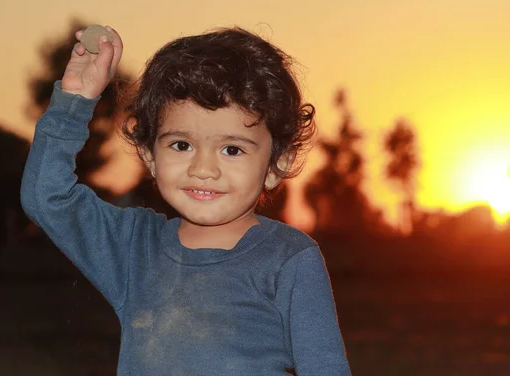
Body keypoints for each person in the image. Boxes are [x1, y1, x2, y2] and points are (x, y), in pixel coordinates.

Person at [21, 24, 351, 375]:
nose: (204, 169)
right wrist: (74, 102)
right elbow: (47, 197)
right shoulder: (133, 247)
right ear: (149, 154)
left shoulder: (289, 259)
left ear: (275, 165)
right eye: (182, 145)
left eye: (232, 149)